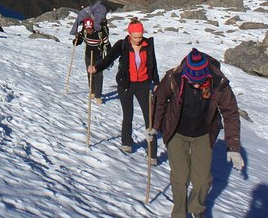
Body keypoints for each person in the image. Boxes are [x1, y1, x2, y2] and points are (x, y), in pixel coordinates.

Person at [147, 48, 243, 218]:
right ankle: (179, 213)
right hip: (177, 132)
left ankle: (196, 208)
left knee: (202, 181)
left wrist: (233, 147)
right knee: (180, 177)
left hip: (203, 134)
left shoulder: (218, 83)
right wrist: (154, 127)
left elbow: (230, 112)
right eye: (193, 82)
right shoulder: (174, 78)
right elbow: (160, 98)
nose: (197, 85)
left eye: (200, 82)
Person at [88, 18, 159, 161]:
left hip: (144, 84)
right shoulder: (122, 45)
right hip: (126, 84)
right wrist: (96, 67)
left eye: (140, 36)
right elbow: (109, 58)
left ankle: (152, 152)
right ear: (130, 34)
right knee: (128, 114)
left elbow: (153, 65)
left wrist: (156, 82)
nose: (138, 40)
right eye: (135, 37)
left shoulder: (148, 45)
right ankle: (126, 142)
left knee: (150, 118)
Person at [73, 17, 110, 104]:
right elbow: (80, 40)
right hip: (89, 56)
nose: (89, 30)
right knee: (90, 74)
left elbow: (107, 45)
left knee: (98, 75)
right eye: (87, 28)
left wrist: (108, 58)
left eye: (91, 28)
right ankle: (92, 91)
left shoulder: (101, 33)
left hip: (99, 57)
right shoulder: (84, 32)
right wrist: (76, 40)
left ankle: (98, 96)